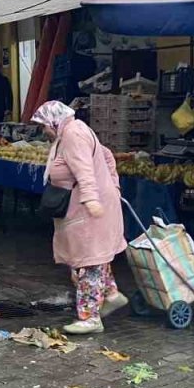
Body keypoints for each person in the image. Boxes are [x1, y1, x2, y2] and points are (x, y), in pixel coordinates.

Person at [31, 101, 127, 335]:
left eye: (44, 125)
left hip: (90, 209)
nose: (43, 131)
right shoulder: (73, 131)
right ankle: (111, 294)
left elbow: (84, 170)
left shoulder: (73, 134)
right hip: (89, 205)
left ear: (54, 121)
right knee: (96, 255)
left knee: (89, 261)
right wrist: (113, 185)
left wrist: (92, 199)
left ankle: (90, 317)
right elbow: (106, 156)